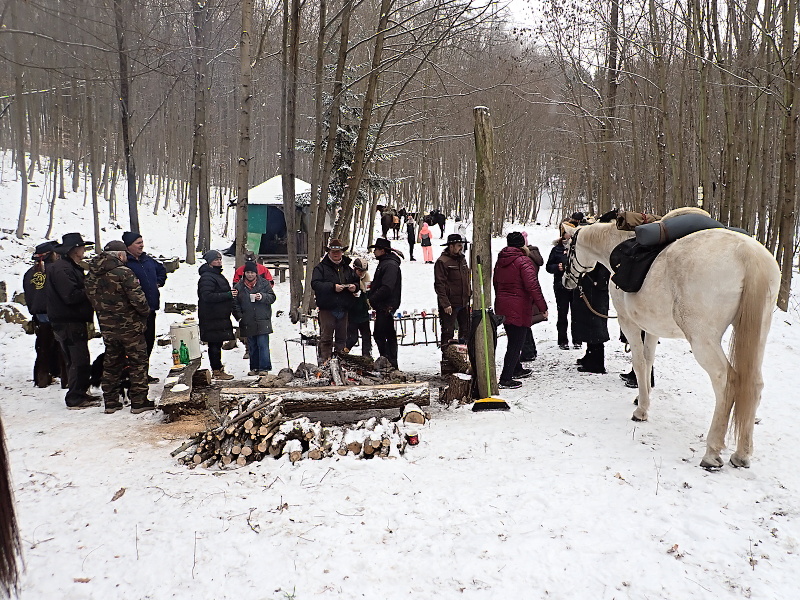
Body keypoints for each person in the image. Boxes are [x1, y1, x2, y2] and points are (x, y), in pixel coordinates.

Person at [85, 241, 153, 414]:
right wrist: (145, 313)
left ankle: (111, 401)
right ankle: (139, 401)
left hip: (108, 327)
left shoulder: (91, 274)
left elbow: (91, 299)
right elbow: (138, 299)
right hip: (130, 326)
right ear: (120, 255)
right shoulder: (124, 273)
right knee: (138, 363)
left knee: (111, 363)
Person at [45, 232, 98, 409]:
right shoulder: (62, 269)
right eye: (82, 247)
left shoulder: (68, 267)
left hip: (71, 320)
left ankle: (80, 393)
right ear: (75, 250)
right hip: (68, 321)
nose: (84, 250)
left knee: (79, 359)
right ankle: (75, 397)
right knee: (78, 360)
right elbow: (70, 296)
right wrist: (91, 289)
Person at [493, 231, 548, 389]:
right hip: (518, 305)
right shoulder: (523, 261)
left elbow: (496, 282)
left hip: (503, 304)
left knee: (513, 338)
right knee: (516, 343)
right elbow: (533, 286)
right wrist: (542, 307)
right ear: (522, 243)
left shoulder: (501, 259)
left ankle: (516, 369)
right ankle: (506, 378)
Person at [122, 232, 167, 383]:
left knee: (149, 342)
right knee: (136, 347)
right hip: (134, 312)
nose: (141, 245)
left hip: (151, 308)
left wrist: (158, 282)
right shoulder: (125, 263)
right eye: (137, 243)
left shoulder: (147, 260)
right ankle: (133, 376)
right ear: (128, 246)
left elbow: (162, 270)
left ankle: (144, 374)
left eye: (142, 242)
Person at [23, 241, 66, 388]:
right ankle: (64, 377)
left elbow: (29, 296)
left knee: (43, 348)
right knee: (62, 347)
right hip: (56, 313)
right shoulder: (55, 270)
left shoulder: (29, 273)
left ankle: (42, 378)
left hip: (39, 316)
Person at [311, 238, 359, 364]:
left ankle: (340, 363)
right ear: (329, 252)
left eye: (338, 252)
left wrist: (355, 287)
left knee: (342, 339)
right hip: (327, 308)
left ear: (342, 252)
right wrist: (333, 287)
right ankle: (324, 363)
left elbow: (357, 282)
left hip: (343, 308)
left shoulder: (347, 268)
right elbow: (315, 284)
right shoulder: (320, 268)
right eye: (333, 251)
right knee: (326, 338)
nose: (336, 254)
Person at [232, 260, 277, 376]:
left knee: (263, 344)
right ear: (244, 273)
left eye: (252, 272)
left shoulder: (264, 284)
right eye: (248, 272)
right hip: (247, 319)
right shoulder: (239, 286)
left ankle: (264, 368)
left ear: (256, 273)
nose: (250, 275)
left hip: (263, 318)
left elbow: (272, 297)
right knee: (252, 345)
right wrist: (239, 317)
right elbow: (235, 304)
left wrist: (262, 297)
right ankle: (254, 367)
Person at [197, 250, 236, 380]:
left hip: (219, 316)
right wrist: (228, 295)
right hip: (211, 316)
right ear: (209, 262)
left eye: (220, 259)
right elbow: (206, 296)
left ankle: (218, 368)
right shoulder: (207, 277)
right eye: (216, 259)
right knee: (214, 344)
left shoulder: (216, 275)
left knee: (217, 343)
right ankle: (217, 371)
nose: (219, 261)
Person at [367, 237, 402, 369]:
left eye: (376, 249)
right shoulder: (386, 263)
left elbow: (387, 287)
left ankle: (389, 361)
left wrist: (373, 298)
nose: (374, 251)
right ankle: (389, 361)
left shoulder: (389, 265)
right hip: (384, 305)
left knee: (382, 335)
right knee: (386, 334)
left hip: (386, 305)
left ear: (383, 251)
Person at [572, 263, 611, 374]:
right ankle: (589, 356)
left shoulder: (600, 261)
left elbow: (602, 279)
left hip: (596, 297)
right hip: (589, 294)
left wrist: (597, 283)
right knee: (588, 328)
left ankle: (596, 363)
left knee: (596, 330)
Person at [434, 233, 471, 345]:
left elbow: (466, 278)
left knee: (465, 331)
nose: (461, 248)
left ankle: (463, 356)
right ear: (451, 246)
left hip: (464, 302)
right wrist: (445, 303)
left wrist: (469, 294)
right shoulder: (442, 261)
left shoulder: (462, 260)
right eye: (459, 245)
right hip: (450, 304)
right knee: (448, 332)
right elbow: (439, 284)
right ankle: (447, 358)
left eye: (462, 245)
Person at [546, 229, 573, 350]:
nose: (569, 235)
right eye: (567, 233)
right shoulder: (556, 249)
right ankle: (562, 340)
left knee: (576, 314)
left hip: (575, 285)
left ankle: (577, 339)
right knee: (562, 313)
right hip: (560, 285)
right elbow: (548, 267)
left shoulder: (577, 247)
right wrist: (557, 267)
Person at [520, 233, 544, 362]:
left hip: (526, 294)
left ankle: (528, 351)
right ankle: (530, 350)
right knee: (525, 323)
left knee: (523, 323)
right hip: (530, 294)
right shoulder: (532, 257)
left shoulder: (526, 259)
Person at [345, 258, 372, 357]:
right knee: (352, 338)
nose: (361, 273)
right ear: (355, 269)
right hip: (352, 314)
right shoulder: (350, 278)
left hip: (363, 313)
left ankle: (367, 356)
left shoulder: (367, 280)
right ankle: (343, 353)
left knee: (367, 336)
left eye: (363, 271)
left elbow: (368, 294)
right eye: (359, 271)